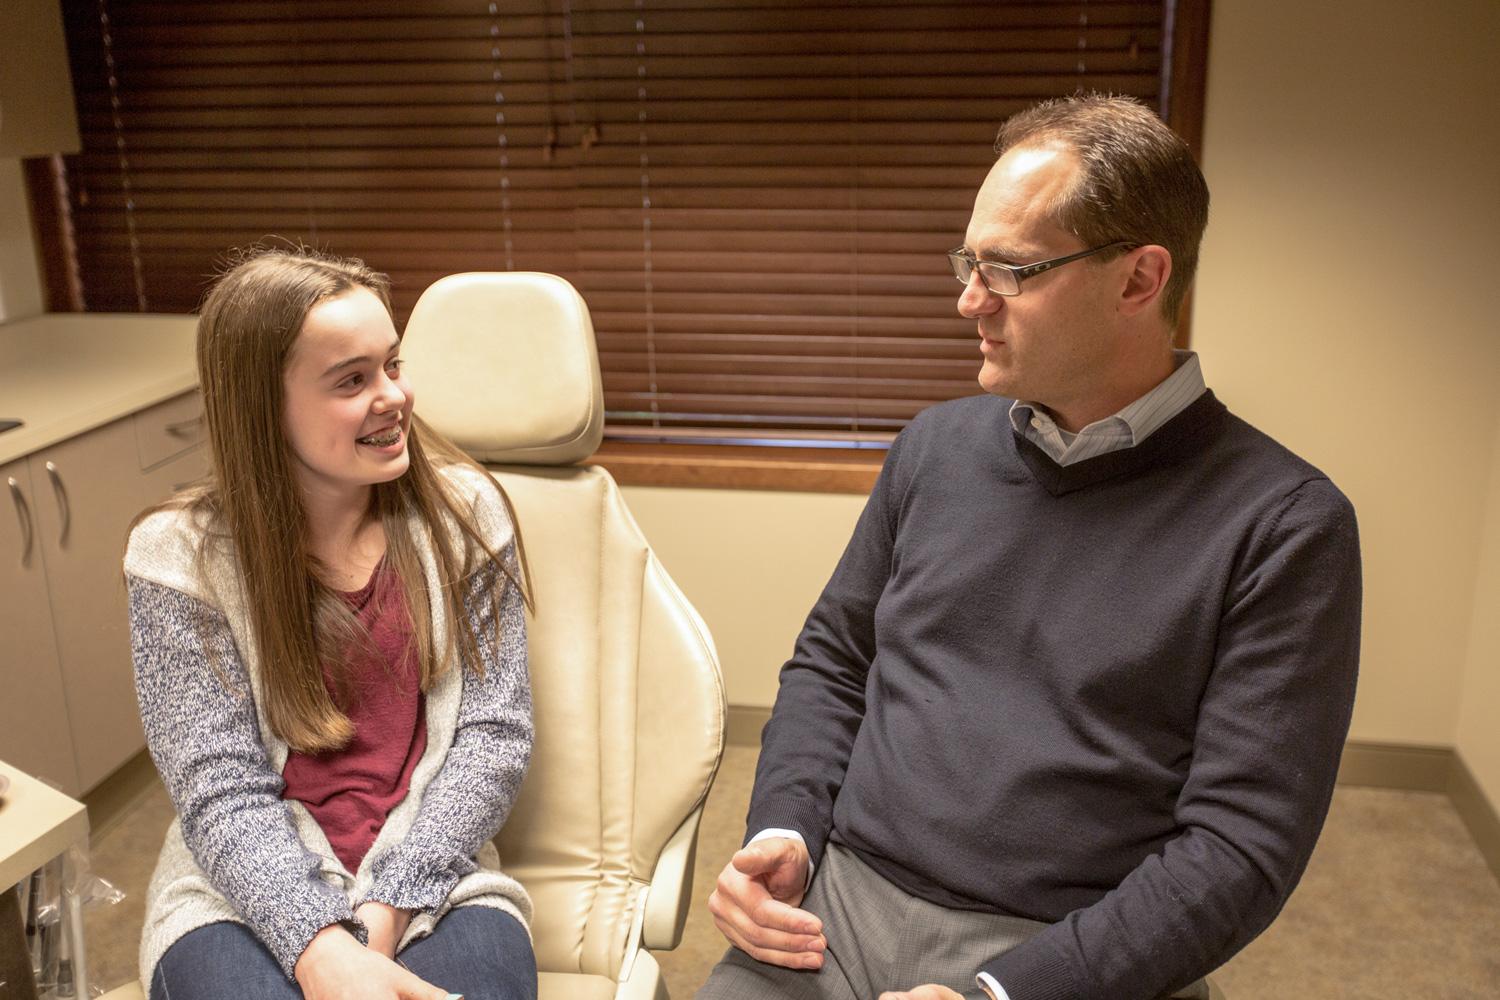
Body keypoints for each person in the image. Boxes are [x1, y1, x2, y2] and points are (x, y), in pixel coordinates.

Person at [697, 95, 1361, 1000]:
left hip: (1065, 952)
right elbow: (833, 661)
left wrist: (1008, 993)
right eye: (970, 262)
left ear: (1139, 280)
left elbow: (1240, 849)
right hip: (835, 911)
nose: (969, 298)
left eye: (1008, 270)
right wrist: (784, 827)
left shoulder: (1284, 525)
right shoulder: (933, 450)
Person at [123, 247, 538, 1000]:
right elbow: (219, 789)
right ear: (262, 407)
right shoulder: (175, 557)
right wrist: (321, 951)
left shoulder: (467, 517)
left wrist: (381, 913)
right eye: (352, 380)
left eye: (394, 365)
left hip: (433, 879)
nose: (393, 397)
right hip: (243, 895)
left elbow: (493, 736)